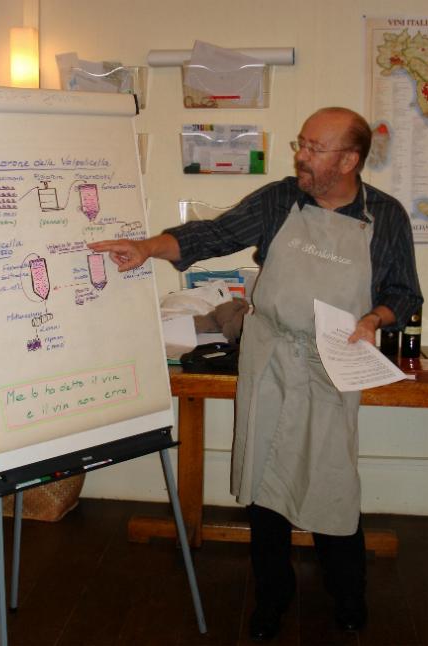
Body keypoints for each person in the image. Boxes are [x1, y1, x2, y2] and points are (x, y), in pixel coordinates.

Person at [89, 107, 423, 641]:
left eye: (314, 148)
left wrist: (373, 319)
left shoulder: (384, 216)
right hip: (269, 357)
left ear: (349, 160)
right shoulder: (278, 200)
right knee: (265, 480)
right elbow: (213, 235)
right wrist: (148, 248)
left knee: (332, 481)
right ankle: (271, 596)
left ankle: (348, 594)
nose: (301, 156)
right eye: (302, 143)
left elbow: (404, 294)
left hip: (332, 362)